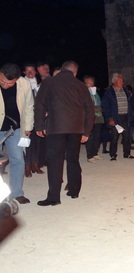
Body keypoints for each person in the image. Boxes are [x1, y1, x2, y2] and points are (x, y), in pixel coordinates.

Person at [35, 61, 94, 206]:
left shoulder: (49, 82)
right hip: (76, 129)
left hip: (56, 127)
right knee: (73, 159)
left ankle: (54, 197)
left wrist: (39, 125)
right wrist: (87, 130)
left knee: (55, 161)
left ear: (61, 70)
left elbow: (40, 104)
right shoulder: (81, 85)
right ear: (75, 72)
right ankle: (74, 191)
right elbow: (90, 109)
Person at [0, 63, 34, 204]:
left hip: (14, 128)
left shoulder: (24, 84)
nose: (4, 85)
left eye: (9, 83)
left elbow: (29, 106)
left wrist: (28, 126)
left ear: (16, 79)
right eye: (1, 81)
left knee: (18, 160)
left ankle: (16, 193)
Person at [101, 73, 134, 161]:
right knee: (114, 136)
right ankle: (113, 155)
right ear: (114, 81)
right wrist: (110, 118)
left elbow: (130, 103)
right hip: (115, 117)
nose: (122, 82)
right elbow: (106, 106)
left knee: (127, 136)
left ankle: (127, 154)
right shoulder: (109, 92)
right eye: (120, 80)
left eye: (122, 80)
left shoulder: (125, 90)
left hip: (125, 116)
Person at [22, 63, 44, 177]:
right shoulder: (21, 83)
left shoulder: (40, 83)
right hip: (26, 116)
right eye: (27, 71)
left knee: (36, 141)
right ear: (24, 72)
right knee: (26, 142)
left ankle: (35, 164)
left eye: (32, 71)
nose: (30, 73)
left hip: (38, 116)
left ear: (36, 72)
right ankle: (27, 165)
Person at [84, 75, 105, 163]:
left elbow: (100, 104)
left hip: (98, 117)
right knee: (90, 137)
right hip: (89, 118)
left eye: (92, 83)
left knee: (97, 136)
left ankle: (95, 153)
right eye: (89, 83)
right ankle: (89, 155)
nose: (91, 84)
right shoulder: (84, 93)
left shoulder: (96, 93)